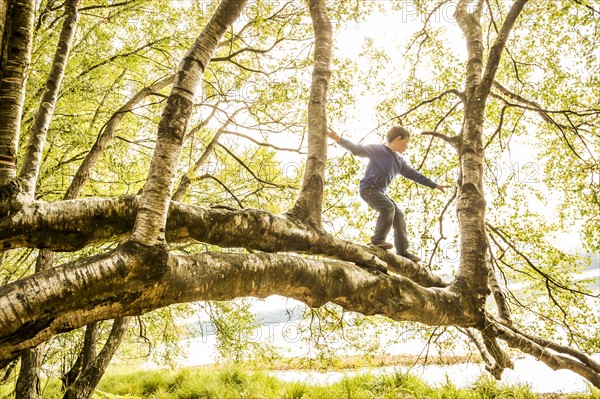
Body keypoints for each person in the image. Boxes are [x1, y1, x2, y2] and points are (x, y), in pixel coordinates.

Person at [328, 125, 449, 263]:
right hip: (368, 189)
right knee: (388, 208)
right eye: (406, 142)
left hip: (380, 192)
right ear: (398, 139)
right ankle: (377, 240)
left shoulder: (399, 161)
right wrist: (339, 139)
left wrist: (434, 185)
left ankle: (403, 251)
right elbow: (357, 149)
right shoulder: (378, 149)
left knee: (398, 214)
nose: (407, 146)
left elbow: (414, 175)